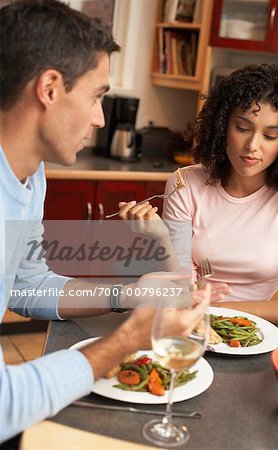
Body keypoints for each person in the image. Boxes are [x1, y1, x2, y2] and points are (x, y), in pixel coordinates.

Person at [0, 0, 211, 443]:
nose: (100, 118)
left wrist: (129, 294)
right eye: (97, 97)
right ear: (50, 88)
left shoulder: (29, 173)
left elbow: (26, 285)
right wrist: (129, 338)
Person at [119, 63, 278, 327]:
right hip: (183, 321)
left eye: (270, 135)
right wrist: (161, 237)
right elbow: (179, 286)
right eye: (242, 128)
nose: (252, 146)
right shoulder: (186, 184)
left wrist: (221, 311)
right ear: (223, 125)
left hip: (250, 331)